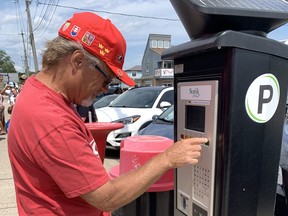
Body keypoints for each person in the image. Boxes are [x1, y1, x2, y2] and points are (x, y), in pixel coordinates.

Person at [8, 12, 207, 216]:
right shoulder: (51, 119)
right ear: (77, 61)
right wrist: (167, 158)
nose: (106, 89)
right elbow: (106, 198)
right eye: (107, 80)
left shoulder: (37, 92)